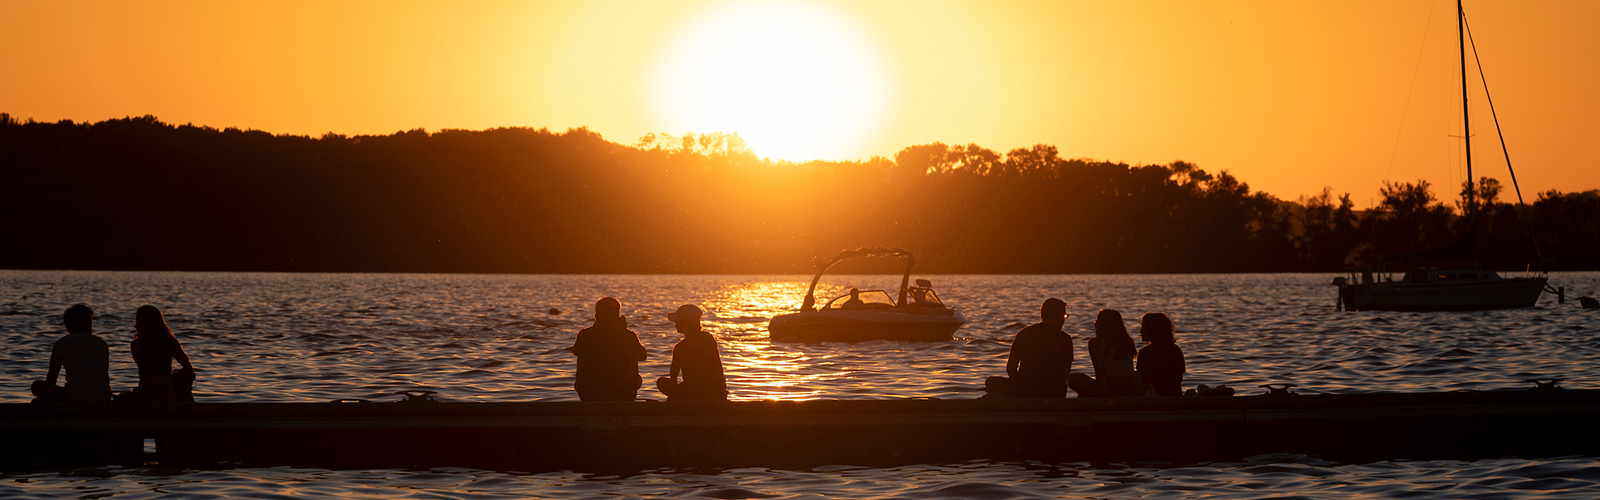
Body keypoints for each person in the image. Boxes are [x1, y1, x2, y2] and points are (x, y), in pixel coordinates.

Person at [991, 298, 1073, 398]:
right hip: (1052, 392)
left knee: (991, 382)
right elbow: (1065, 373)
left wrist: (1020, 384)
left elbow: (1011, 368)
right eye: (1064, 316)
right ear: (1059, 316)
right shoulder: (1065, 339)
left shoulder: (1023, 334)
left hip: (1024, 390)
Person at [31, 304, 113, 403]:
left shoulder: (62, 344)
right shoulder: (102, 343)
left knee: (36, 386)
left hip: (75, 400)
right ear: (87, 324)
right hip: (103, 399)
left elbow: (51, 379)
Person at [572, 297, 647, 402]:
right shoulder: (628, 335)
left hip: (589, 394)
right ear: (617, 316)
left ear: (596, 316)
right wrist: (623, 331)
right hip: (624, 393)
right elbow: (642, 356)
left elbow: (576, 351)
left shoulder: (585, 335)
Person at [116, 305, 196, 403]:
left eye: (138, 322)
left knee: (120, 398)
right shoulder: (171, 342)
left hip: (145, 394)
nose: (135, 326)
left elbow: (144, 369)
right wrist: (174, 381)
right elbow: (189, 371)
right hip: (168, 394)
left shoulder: (136, 345)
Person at [655, 304, 728, 401]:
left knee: (661, 382)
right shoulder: (709, 340)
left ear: (685, 324)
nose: (675, 324)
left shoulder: (680, 347)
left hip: (696, 392)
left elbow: (673, 378)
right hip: (718, 392)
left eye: (677, 322)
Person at [1068, 309, 1139, 397]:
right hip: (1130, 387)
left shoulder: (1095, 343)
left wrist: (1105, 395)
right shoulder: (1128, 341)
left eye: (1097, 321)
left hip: (1111, 387)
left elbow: (1100, 371)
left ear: (1105, 324)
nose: (1095, 324)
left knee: (1074, 378)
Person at [1136, 312, 1186, 397]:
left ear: (1153, 330)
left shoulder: (1145, 353)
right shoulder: (1175, 350)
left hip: (1153, 398)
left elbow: (1142, 381)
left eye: (1144, 327)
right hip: (1174, 398)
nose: (1140, 331)